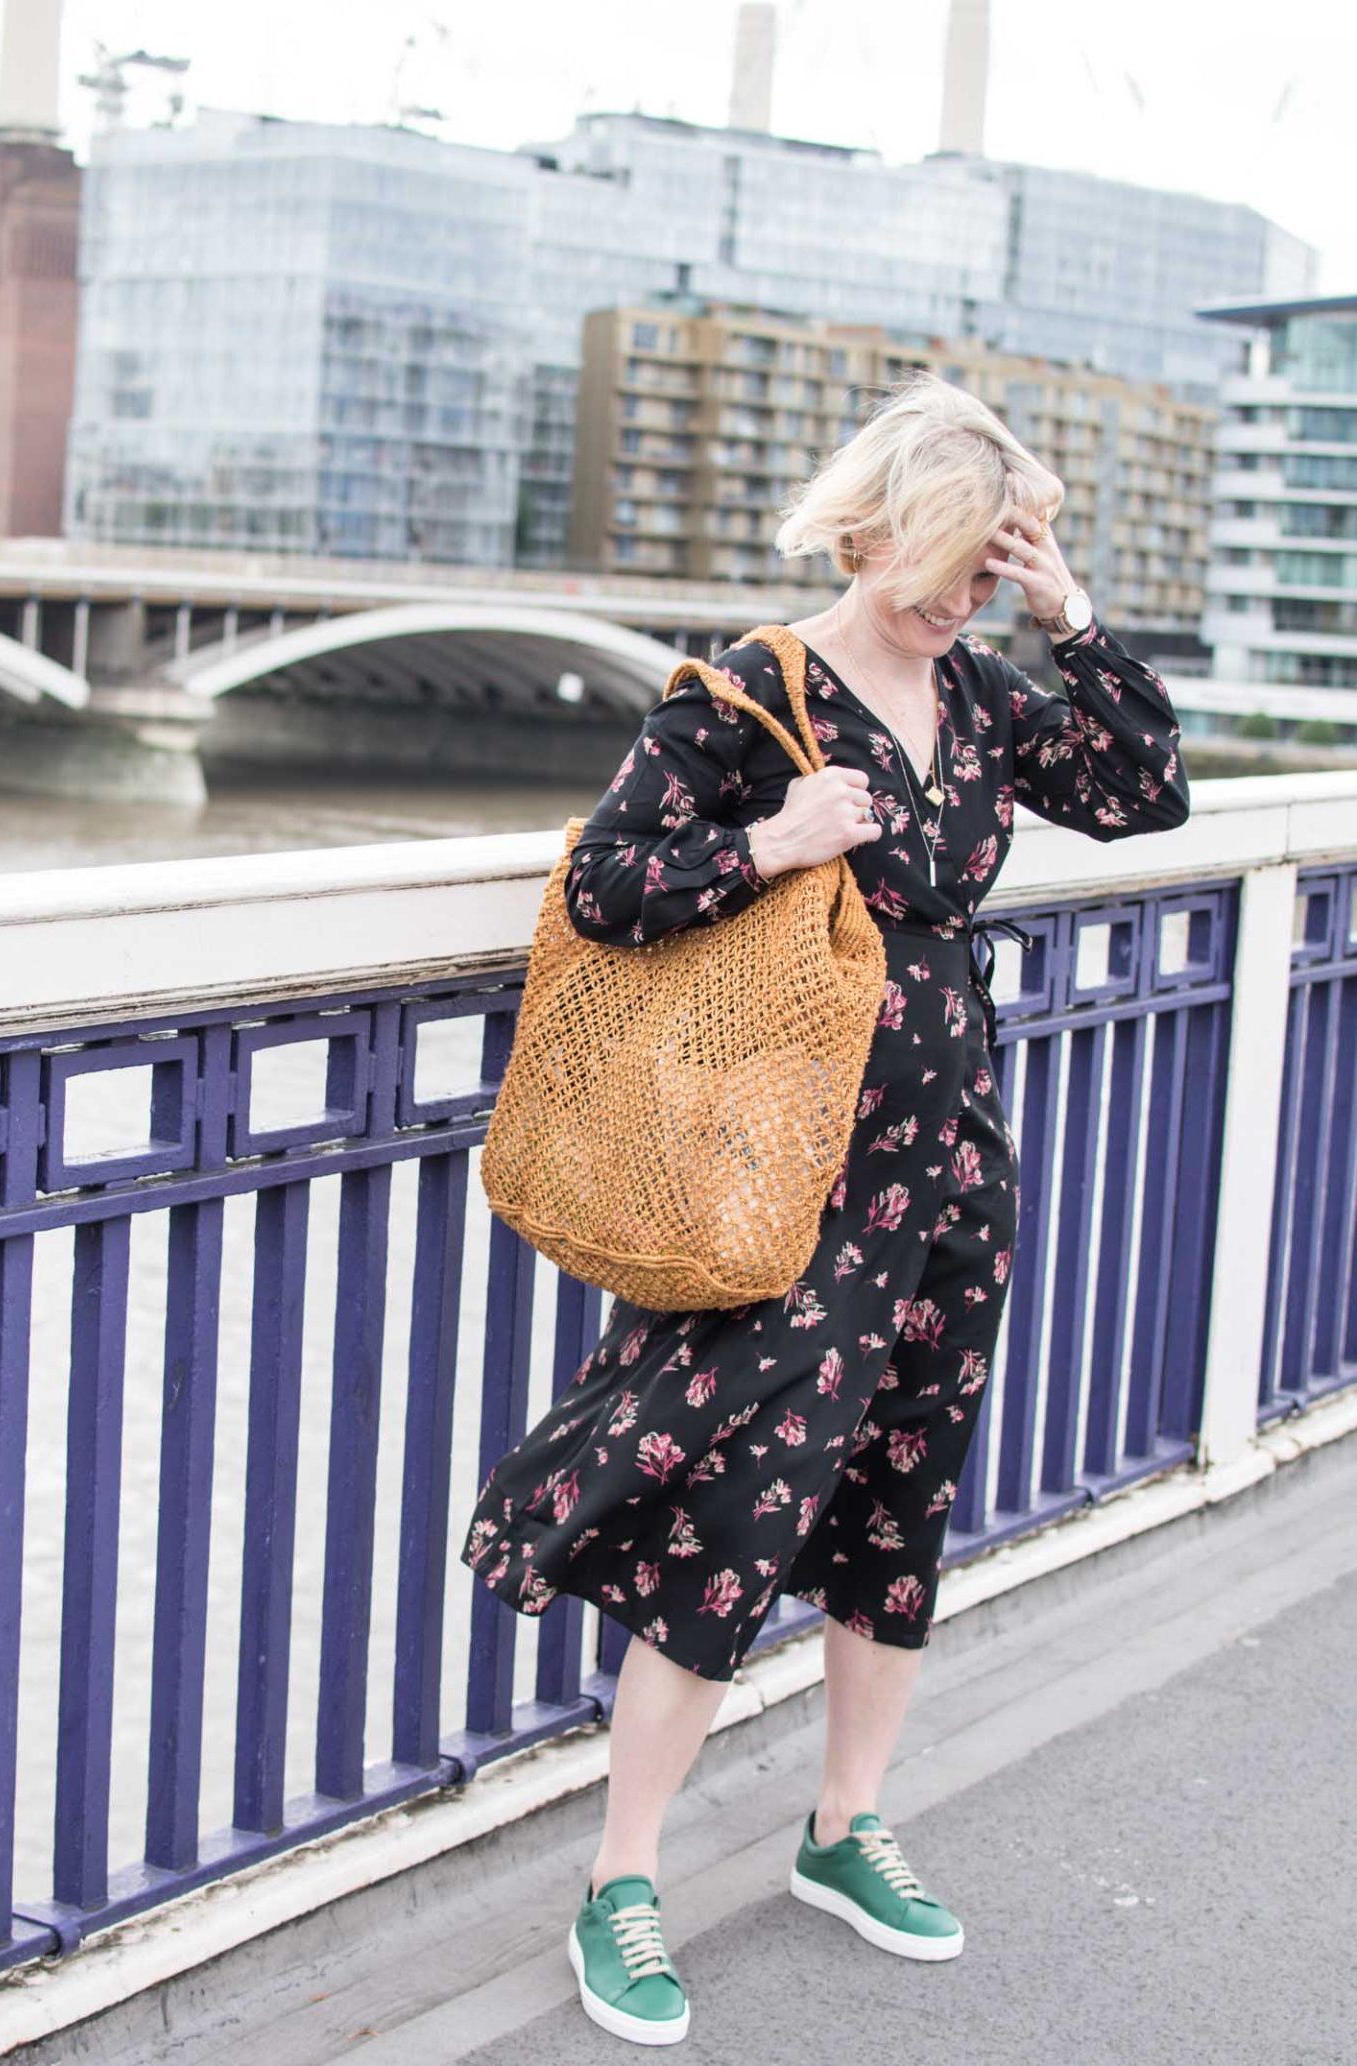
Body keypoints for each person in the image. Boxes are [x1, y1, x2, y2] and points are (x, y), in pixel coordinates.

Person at [460, 368, 1191, 2046]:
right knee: (735, 1501)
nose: (957, 602)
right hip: (781, 1175)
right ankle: (620, 1879)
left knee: (900, 1495)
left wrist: (1073, 614)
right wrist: (780, 838)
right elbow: (605, 886)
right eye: (938, 567)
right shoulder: (748, 694)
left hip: (949, 1164)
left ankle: (846, 1822)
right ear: (863, 528)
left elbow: (1146, 789)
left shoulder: (994, 695)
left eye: (986, 575)